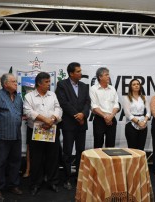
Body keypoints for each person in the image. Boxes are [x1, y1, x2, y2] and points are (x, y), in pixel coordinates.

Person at [24, 72, 63, 196]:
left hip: (51, 129)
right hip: (36, 131)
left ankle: (53, 182)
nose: (49, 84)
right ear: (39, 84)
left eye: (49, 81)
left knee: (53, 158)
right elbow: (28, 111)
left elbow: (58, 108)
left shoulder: (52, 95)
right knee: (36, 159)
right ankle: (35, 184)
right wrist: (43, 119)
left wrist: (51, 119)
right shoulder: (29, 96)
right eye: (46, 82)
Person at [55, 62, 90, 190]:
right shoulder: (62, 85)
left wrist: (83, 114)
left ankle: (79, 178)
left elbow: (87, 103)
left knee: (81, 152)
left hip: (82, 124)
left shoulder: (84, 86)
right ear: (71, 73)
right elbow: (63, 103)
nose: (81, 73)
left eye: (81, 71)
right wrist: (77, 115)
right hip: (69, 124)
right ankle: (67, 178)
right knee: (68, 153)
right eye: (78, 71)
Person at [0, 73, 23, 199]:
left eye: (16, 81)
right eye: (13, 81)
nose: (16, 83)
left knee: (15, 162)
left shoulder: (19, 97)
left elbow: (19, 114)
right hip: (2, 135)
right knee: (0, 163)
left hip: (16, 135)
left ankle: (13, 185)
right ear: (5, 84)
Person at [89, 67, 119, 148]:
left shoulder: (112, 88)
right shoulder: (93, 89)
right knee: (98, 145)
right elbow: (94, 106)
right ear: (100, 77)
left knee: (111, 145)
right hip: (99, 120)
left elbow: (116, 105)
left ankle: (109, 161)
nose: (108, 76)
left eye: (108, 74)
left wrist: (111, 116)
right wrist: (105, 116)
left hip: (112, 119)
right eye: (106, 75)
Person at [123, 79, 150, 150]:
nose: (136, 85)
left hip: (143, 125)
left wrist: (144, 122)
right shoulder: (127, 98)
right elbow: (127, 113)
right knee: (132, 150)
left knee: (141, 149)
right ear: (130, 87)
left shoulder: (144, 97)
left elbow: (148, 112)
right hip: (131, 125)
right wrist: (138, 122)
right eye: (134, 84)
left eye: (138, 84)